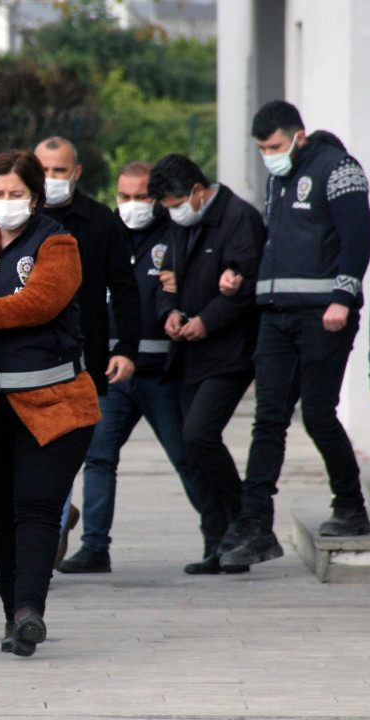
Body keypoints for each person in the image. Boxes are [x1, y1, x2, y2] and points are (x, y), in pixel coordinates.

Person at [0, 150, 100, 657]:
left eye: (16, 194)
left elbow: (37, 303)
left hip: (54, 403)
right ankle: (13, 616)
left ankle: (30, 610)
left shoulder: (59, 244)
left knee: (36, 508)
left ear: (35, 198)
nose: (6, 202)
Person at [220, 100, 370, 571]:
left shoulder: (339, 169)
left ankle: (350, 506)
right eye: (262, 148)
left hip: (324, 315)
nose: (268, 154)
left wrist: (343, 298)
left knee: (319, 415)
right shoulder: (278, 177)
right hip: (276, 314)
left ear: (298, 136)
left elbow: (359, 239)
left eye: (274, 146)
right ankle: (256, 528)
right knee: (267, 420)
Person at [58, 161, 203, 574]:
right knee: (99, 459)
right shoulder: (104, 231)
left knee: (185, 456)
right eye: (125, 196)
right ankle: (94, 548)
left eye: (141, 197)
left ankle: (220, 538)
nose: (133, 205)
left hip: (161, 369)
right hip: (112, 370)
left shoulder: (176, 232)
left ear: (157, 199)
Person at [150, 154, 264, 575]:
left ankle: (243, 523)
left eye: (177, 202)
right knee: (191, 447)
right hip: (187, 352)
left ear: (198, 192)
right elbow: (164, 281)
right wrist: (170, 314)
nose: (173, 212)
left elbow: (246, 285)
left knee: (199, 434)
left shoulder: (238, 218)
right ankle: (217, 541)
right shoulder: (180, 224)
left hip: (229, 352)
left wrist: (206, 321)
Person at [32, 137, 140, 572]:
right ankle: (51, 528)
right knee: (36, 460)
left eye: (60, 171)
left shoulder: (100, 222)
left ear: (76, 173)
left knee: (81, 457)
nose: (52, 179)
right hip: (29, 360)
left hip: (86, 362)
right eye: (44, 170)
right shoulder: (13, 218)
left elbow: (126, 290)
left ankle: (46, 548)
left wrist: (127, 349)